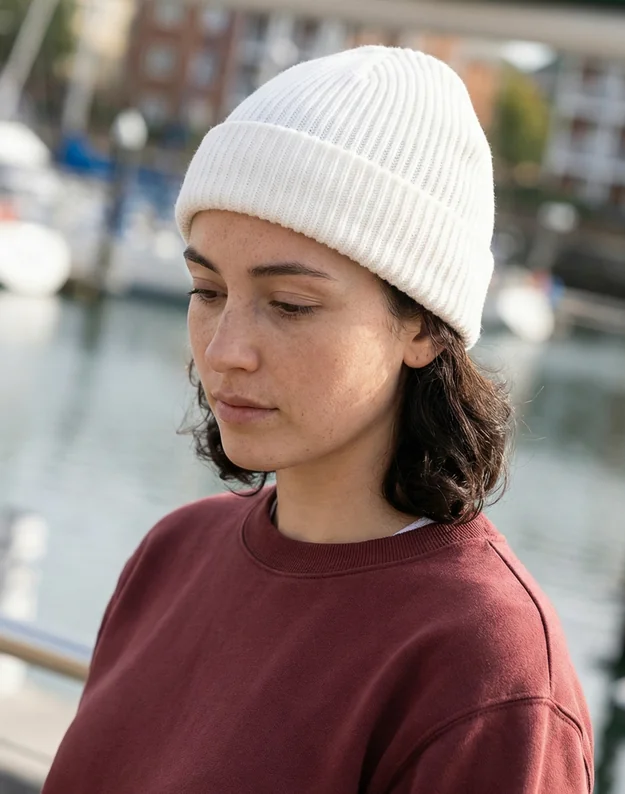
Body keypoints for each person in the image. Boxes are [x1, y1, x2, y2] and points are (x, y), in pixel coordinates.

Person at [42, 46, 593, 793]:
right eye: (206, 290)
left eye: (291, 305)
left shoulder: (487, 668)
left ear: (425, 328)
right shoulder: (171, 555)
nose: (226, 351)